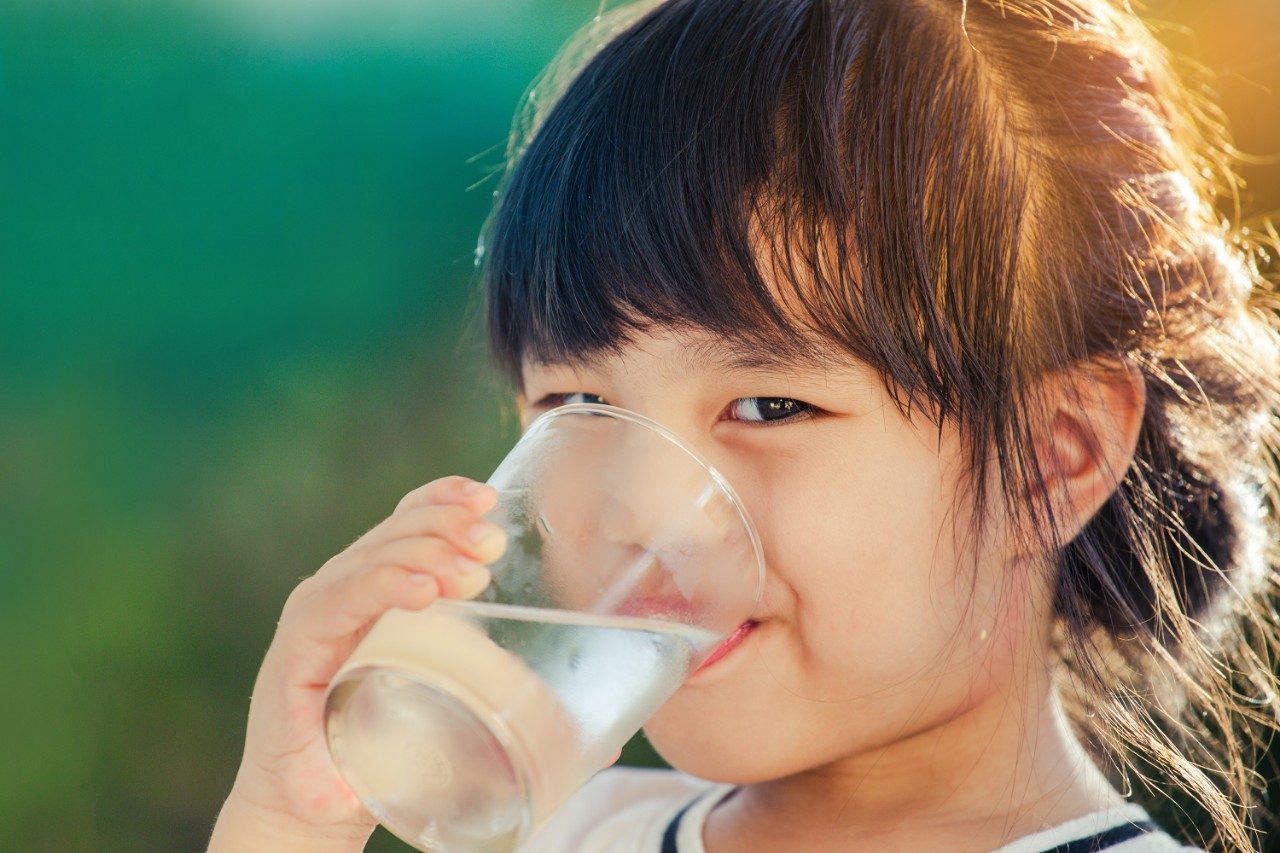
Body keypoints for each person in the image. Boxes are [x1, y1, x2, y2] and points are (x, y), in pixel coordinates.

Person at [208, 0, 1280, 850]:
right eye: (579, 407)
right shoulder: (572, 831)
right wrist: (291, 820)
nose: (643, 508)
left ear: (1057, 457)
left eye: (768, 405)